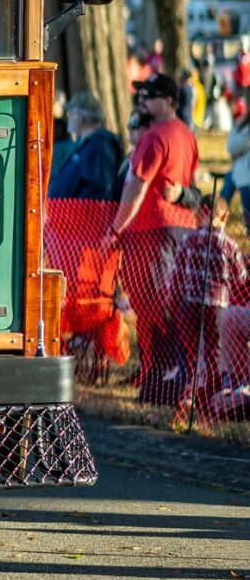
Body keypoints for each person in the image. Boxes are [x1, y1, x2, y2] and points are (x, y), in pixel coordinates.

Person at [102, 72, 200, 402]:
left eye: (153, 95)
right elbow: (193, 185)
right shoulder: (186, 134)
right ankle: (163, 381)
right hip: (178, 227)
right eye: (144, 94)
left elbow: (136, 186)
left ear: (170, 100)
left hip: (153, 229)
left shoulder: (156, 135)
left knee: (155, 306)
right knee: (162, 305)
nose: (145, 100)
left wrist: (115, 228)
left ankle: (167, 382)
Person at [170, 193, 247, 413]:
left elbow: (175, 276)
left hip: (188, 305)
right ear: (224, 217)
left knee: (192, 354)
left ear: (199, 214)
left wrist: (173, 302)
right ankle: (210, 400)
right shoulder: (229, 244)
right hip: (217, 308)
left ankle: (188, 396)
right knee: (214, 353)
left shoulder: (188, 240)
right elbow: (241, 277)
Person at [50, 92, 123, 200]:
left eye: (70, 112)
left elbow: (98, 189)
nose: (67, 116)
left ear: (81, 117)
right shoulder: (87, 143)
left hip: (83, 215)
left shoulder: (100, 145)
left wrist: (74, 212)